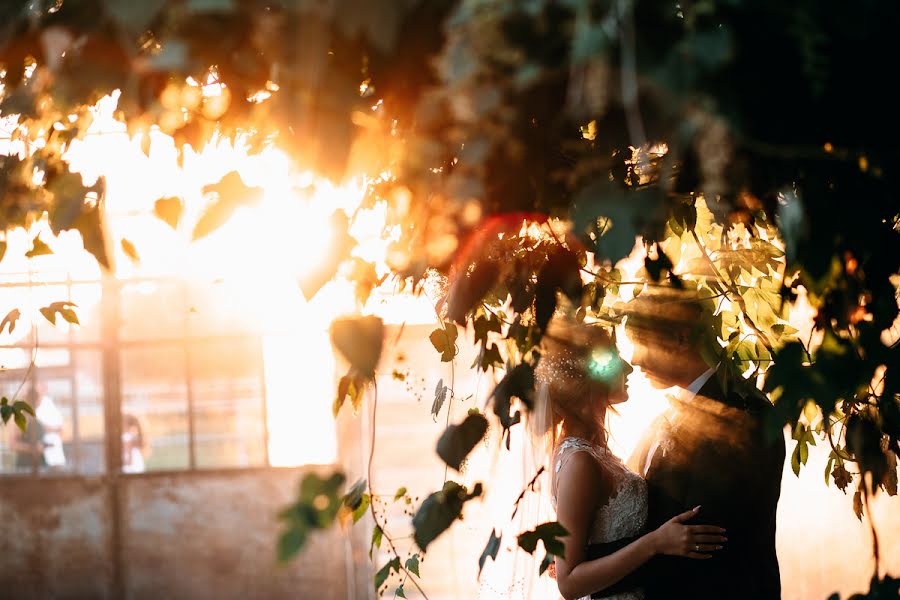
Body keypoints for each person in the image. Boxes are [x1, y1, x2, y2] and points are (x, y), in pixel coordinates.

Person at [585, 287, 785, 600]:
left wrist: (587, 564)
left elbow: (693, 539)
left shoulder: (744, 412)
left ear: (681, 338)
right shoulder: (669, 414)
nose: (634, 359)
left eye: (641, 344)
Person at [531, 317, 727, 600]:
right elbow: (569, 583)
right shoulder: (580, 461)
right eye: (614, 360)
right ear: (590, 374)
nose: (628, 367)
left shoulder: (595, 451)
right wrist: (655, 543)